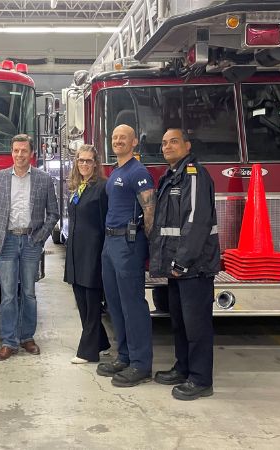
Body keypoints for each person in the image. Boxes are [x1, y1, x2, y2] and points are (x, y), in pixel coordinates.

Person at [149, 128, 220, 400]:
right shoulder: (171, 176)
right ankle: (183, 368)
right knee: (179, 322)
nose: (167, 146)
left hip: (194, 267)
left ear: (187, 145)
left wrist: (183, 260)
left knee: (197, 325)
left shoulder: (194, 175)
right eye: (165, 143)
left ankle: (201, 380)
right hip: (176, 268)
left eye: (174, 142)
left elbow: (197, 221)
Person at [0, 134, 59, 361]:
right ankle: (9, 341)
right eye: (16, 150)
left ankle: (27, 337)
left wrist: (39, 237)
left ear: (31, 153)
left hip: (30, 242)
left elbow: (54, 213)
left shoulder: (43, 179)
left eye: (24, 151)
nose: (19, 155)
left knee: (29, 293)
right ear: (11, 152)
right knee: (7, 295)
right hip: (5, 242)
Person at [97, 124, 156, 387]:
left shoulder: (138, 171)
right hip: (110, 243)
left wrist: (148, 245)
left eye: (123, 137)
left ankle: (141, 364)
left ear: (134, 143)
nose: (118, 141)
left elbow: (150, 209)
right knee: (115, 303)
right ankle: (124, 355)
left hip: (127, 243)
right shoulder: (116, 171)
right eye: (114, 137)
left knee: (132, 304)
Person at [63, 144, 111, 364]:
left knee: (92, 304)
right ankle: (101, 342)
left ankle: (87, 352)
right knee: (81, 300)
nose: (84, 164)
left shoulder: (102, 188)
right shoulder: (77, 187)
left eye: (88, 161)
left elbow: (104, 224)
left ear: (95, 163)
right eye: (80, 160)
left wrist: (103, 254)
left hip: (93, 253)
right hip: (76, 252)